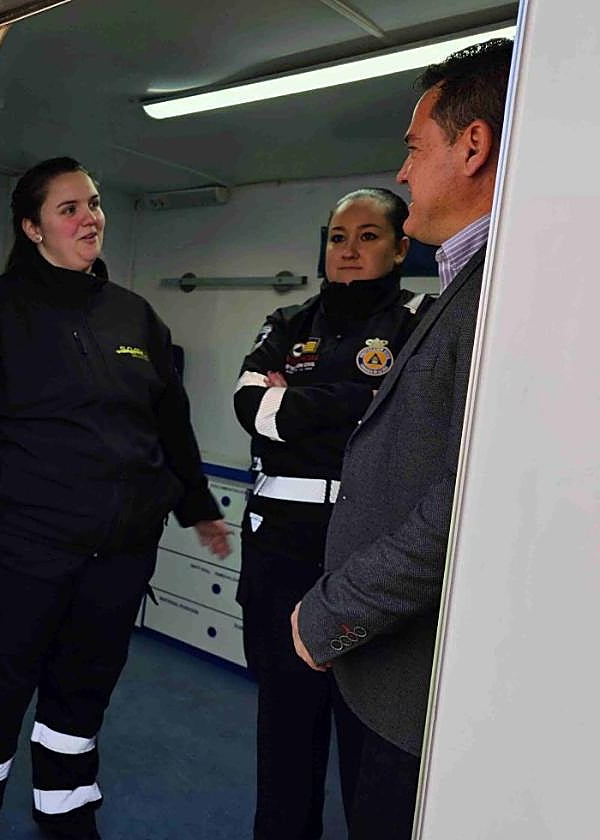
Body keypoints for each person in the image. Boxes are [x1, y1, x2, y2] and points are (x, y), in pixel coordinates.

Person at [0, 157, 232, 840]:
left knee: (82, 694)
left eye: (93, 203)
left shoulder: (135, 316)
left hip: (117, 558)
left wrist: (197, 504)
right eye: (68, 208)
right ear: (32, 227)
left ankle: (65, 815)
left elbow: (169, 423)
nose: (89, 216)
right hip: (16, 557)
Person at [291, 38, 513, 839]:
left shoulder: (505, 290)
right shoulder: (465, 284)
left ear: (473, 145)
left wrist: (332, 614)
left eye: (415, 149)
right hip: (384, 666)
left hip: (405, 678)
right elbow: (259, 410)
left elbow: (473, 499)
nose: (405, 172)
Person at [234, 188, 434, 840]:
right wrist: (362, 402)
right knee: (284, 739)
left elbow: (413, 429)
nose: (348, 251)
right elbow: (251, 410)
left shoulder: (420, 321)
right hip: (278, 559)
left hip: (366, 566)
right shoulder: (287, 320)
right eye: (338, 237)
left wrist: (298, 407)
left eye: (368, 235)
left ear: (401, 247)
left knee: (368, 758)